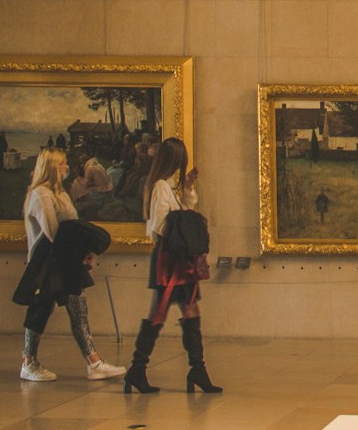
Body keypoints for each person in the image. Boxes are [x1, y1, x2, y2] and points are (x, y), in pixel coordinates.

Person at [17, 148, 125, 382]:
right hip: (49, 261)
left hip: (66, 258)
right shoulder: (40, 194)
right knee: (40, 310)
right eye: (63, 164)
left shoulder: (60, 193)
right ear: (53, 167)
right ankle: (28, 361)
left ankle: (94, 362)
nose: (67, 167)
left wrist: (83, 251)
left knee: (79, 309)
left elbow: (73, 225)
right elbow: (53, 232)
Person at [123, 137, 221, 395]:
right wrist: (183, 228)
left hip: (179, 259)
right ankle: (137, 369)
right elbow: (159, 225)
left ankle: (197, 369)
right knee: (159, 311)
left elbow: (183, 214)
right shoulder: (159, 187)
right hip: (169, 259)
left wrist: (188, 188)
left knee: (190, 309)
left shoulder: (168, 187)